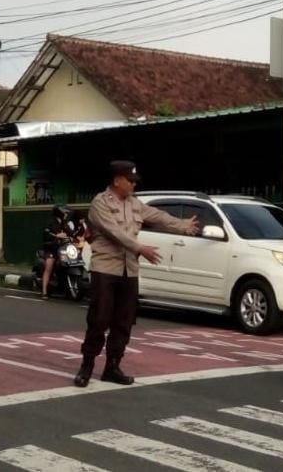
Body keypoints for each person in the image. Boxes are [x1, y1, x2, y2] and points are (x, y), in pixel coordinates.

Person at [74, 161, 199, 387]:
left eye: (134, 181)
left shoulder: (135, 204)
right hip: (105, 268)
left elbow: (158, 216)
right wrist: (140, 248)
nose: (133, 185)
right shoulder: (100, 203)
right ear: (116, 180)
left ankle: (112, 367)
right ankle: (87, 365)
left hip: (129, 270)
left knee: (124, 321)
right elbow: (114, 232)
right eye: (130, 180)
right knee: (99, 319)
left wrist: (182, 225)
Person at [41, 206, 70, 300]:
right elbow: (46, 233)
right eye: (64, 213)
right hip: (52, 248)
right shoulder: (51, 223)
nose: (66, 215)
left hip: (63, 249)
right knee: (48, 267)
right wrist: (56, 235)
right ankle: (44, 292)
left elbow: (71, 233)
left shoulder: (65, 224)